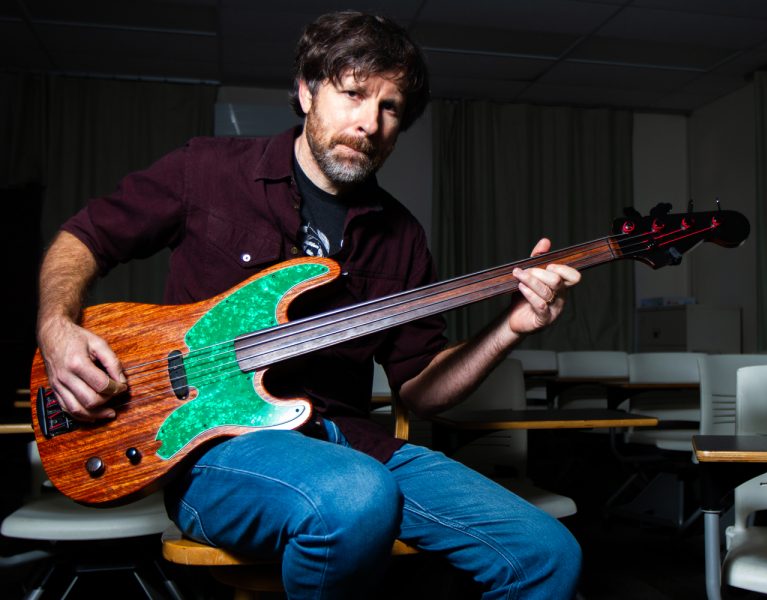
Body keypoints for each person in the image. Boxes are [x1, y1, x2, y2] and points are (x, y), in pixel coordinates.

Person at [36, 10, 582, 599]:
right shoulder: (209, 171)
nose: (369, 122)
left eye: (390, 107)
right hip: (217, 449)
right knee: (353, 496)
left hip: (353, 444)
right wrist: (55, 326)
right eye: (353, 94)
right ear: (306, 91)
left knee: (547, 555)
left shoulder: (402, 237)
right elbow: (84, 237)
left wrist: (511, 329)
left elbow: (421, 390)